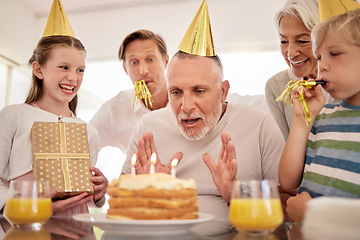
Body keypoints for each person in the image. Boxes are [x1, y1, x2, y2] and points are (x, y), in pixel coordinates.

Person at [122, 51, 285, 234]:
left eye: (199, 91)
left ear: (223, 92)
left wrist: (236, 195)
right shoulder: (149, 126)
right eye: (176, 92)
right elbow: (121, 208)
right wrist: (142, 193)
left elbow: (287, 209)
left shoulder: (259, 124)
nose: (186, 106)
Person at [0, 35, 108, 216]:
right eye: (64, 67)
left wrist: (99, 193)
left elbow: (84, 198)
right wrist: (35, 209)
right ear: (38, 70)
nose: (73, 77)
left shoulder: (89, 132)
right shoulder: (13, 116)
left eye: (80, 70)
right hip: (24, 228)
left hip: (75, 230)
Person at [279, 9, 360, 222]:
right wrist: (302, 120)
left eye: (334, 54)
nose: (321, 65)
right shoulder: (325, 118)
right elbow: (288, 182)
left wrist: (317, 213)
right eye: (319, 56)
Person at [265, 0, 335, 141]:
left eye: (302, 41)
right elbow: (284, 148)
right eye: (284, 41)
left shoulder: (349, 83)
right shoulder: (277, 86)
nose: (290, 53)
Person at [90, 30, 169, 154]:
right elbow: (82, 147)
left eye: (150, 59)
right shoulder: (114, 110)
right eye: (134, 62)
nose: (143, 71)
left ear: (165, 61)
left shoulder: (188, 100)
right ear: (125, 68)